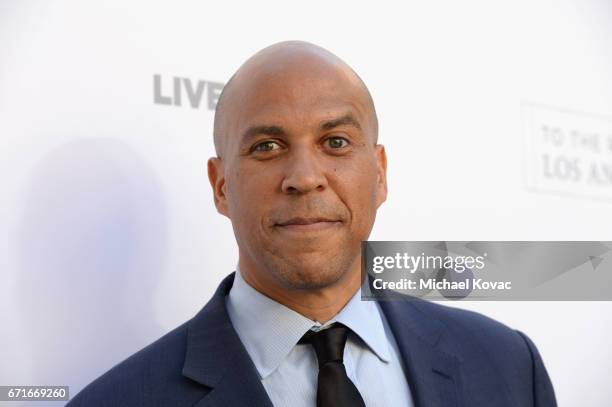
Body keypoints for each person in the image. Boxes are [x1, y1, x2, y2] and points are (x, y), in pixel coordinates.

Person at [67, 41, 557, 406]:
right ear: (220, 187)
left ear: (380, 174)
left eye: (336, 142)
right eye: (267, 147)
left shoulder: (509, 368)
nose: (304, 177)